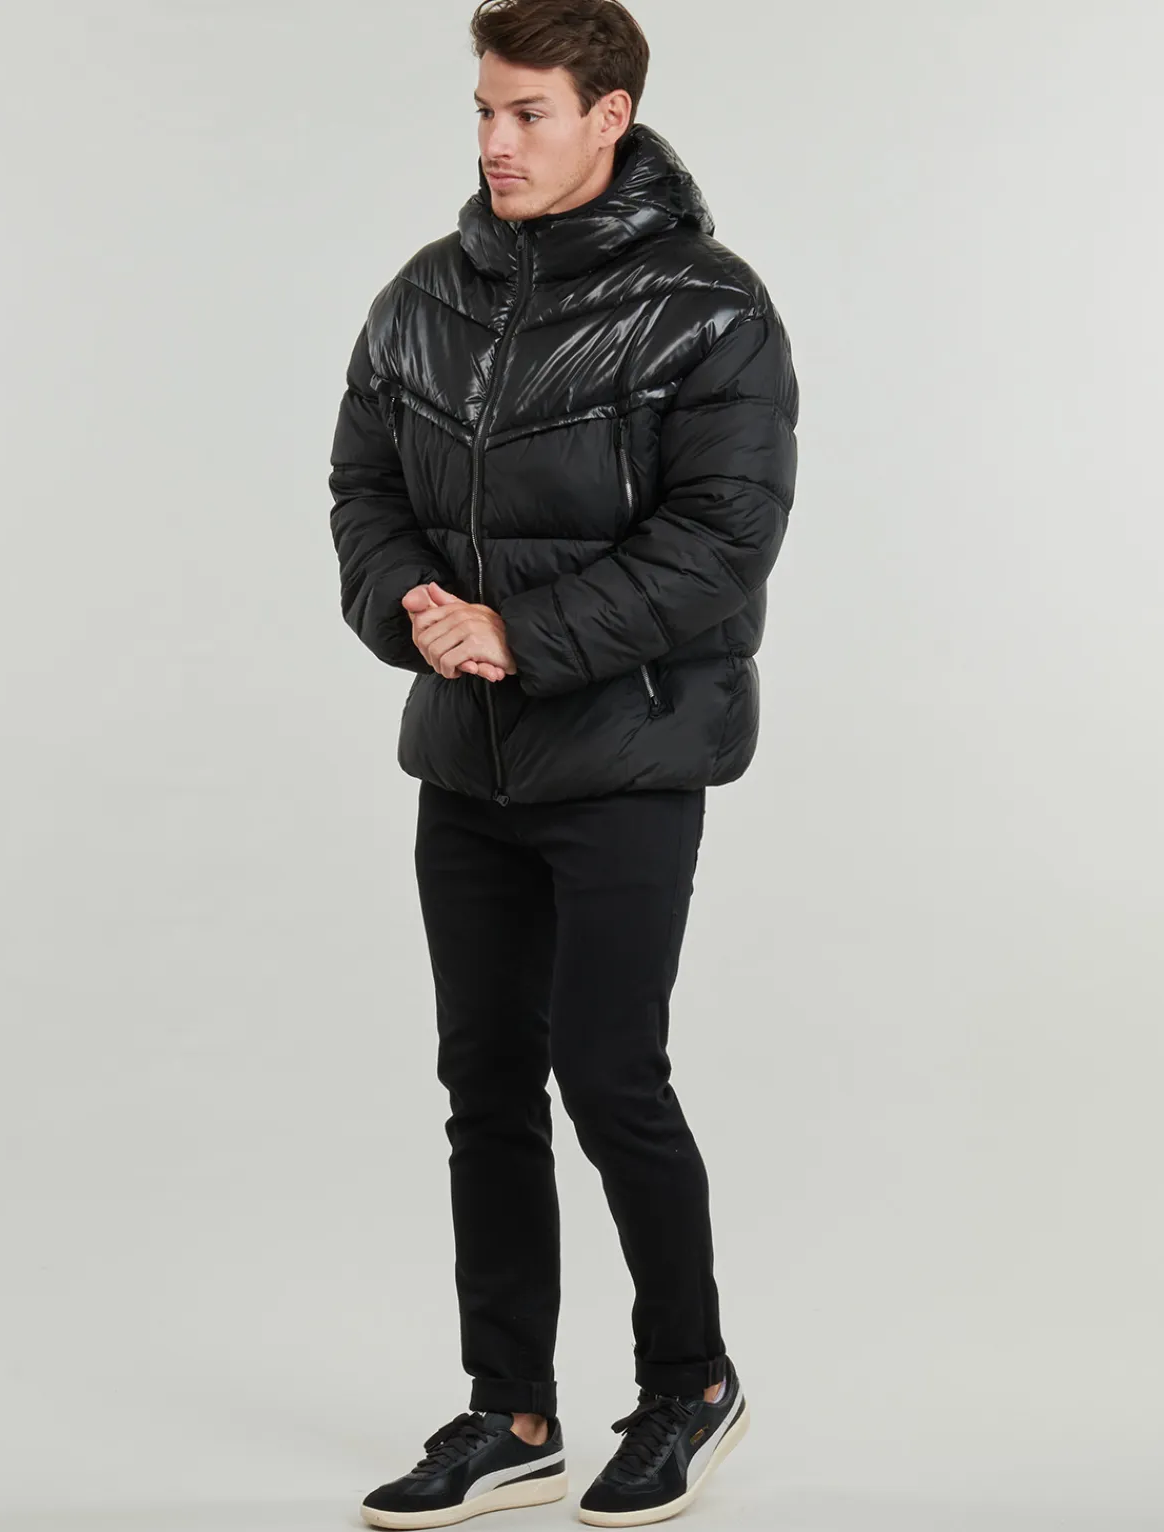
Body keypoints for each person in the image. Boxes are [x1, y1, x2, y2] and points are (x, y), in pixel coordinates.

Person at [327, 1, 799, 1524]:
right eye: (483, 109)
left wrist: (517, 633)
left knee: (609, 1073)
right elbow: (362, 485)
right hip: (467, 762)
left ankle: (691, 1387)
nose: (495, 141)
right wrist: (413, 606)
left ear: (611, 113)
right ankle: (510, 1411)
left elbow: (720, 544)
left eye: (528, 111)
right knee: (485, 1085)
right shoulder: (424, 295)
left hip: (630, 755)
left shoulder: (712, 309)